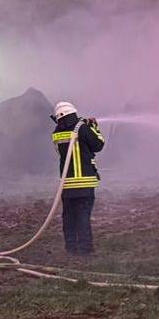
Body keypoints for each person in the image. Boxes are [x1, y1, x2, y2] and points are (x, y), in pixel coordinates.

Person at [51, 102, 105, 256]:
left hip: (67, 184)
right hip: (85, 183)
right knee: (83, 217)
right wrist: (94, 126)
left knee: (68, 217)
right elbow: (98, 145)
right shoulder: (82, 128)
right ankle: (86, 249)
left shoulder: (56, 132)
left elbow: (60, 151)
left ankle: (71, 248)